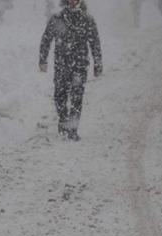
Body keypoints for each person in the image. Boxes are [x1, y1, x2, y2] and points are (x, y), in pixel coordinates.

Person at [39, 0, 102, 141]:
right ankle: (63, 121)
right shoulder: (57, 19)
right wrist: (43, 59)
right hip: (61, 64)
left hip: (79, 65)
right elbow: (46, 39)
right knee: (60, 95)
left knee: (77, 97)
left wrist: (97, 64)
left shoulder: (87, 19)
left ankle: (73, 129)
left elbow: (95, 43)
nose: (73, 2)